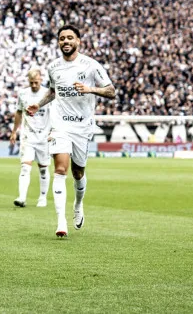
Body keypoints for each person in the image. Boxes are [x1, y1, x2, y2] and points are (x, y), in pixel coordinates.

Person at [26, 25, 115, 237]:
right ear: (58, 42)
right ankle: (61, 222)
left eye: (70, 38)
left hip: (82, 126)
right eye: (62, 38)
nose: (65, 41)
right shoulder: (53, 67)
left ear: (78, 41)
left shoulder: (91, 65)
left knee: (78, 172)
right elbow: (53, 91)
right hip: (60, 125)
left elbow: (111, 91)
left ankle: (78, 204)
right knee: (60, 169)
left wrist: (91, 89)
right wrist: (39, 104)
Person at [10, 69, 52, 208]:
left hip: (44, 136)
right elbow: (18, 112)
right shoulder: (23, 93)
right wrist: (14, 131)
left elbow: (54, 114)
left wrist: (54, 131)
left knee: (43, 168)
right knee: (25, 167)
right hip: (28, 135)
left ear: (41, 79)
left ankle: (43, 197)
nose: (34, 85)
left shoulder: (48, 94)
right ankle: (22, 197)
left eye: (36, 82)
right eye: (31, 82)